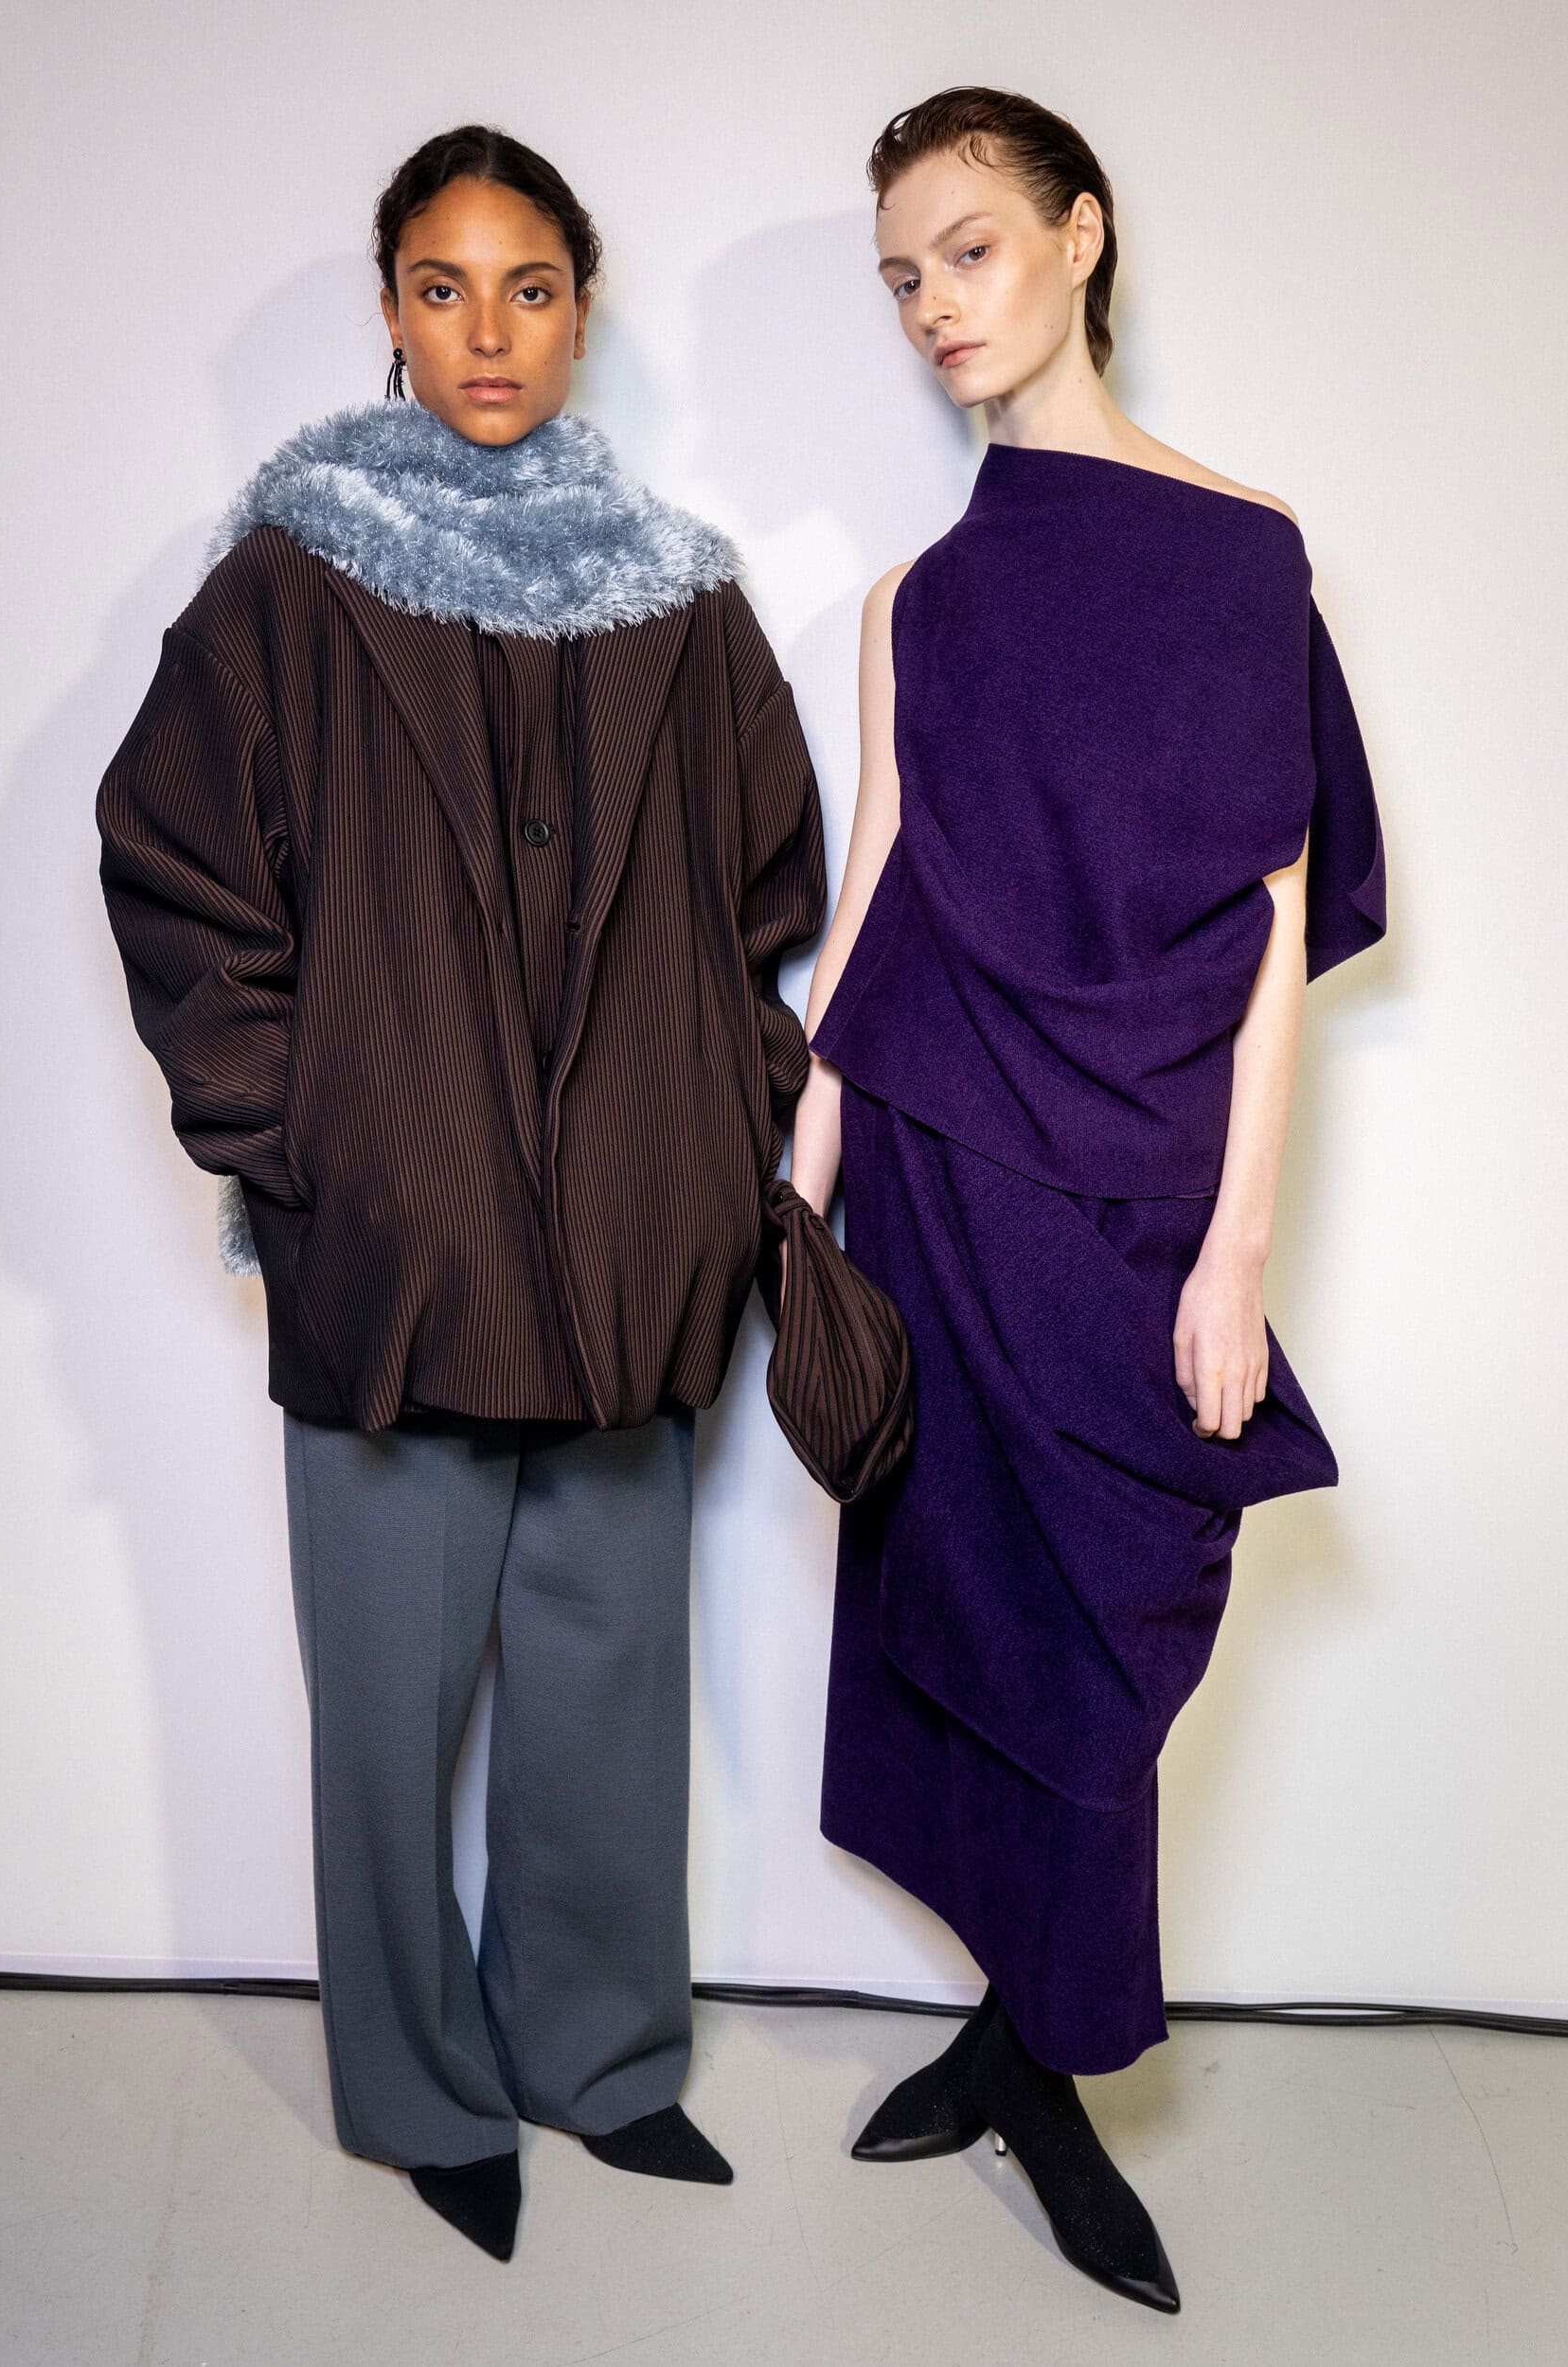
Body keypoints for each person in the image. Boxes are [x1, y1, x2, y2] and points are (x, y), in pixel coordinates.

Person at [97, 123, 825, 2262]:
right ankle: (423, 2089)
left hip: (631, 1247)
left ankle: (599, 2060)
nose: (486, 330)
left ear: (582, 308)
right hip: (392, 1252)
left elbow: (766, 897)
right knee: (388, 1698)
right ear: (389, 312)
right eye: (441, 285)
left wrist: (713, 1132)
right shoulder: (287, 588)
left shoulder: (683, 599)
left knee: (606, 1676)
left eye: (528, 285)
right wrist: (302, 1141)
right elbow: (175, 874)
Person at [789, 87, 1385, 2315]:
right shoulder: (912, 603)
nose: (933, 303)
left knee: (1104, 1638)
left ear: (1079, 234)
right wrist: (792, 1211)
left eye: (966, 247)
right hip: (932, 1190)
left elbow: (1268, 922)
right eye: (900, 275)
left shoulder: (1242, 552)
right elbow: (871, 906)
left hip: (1130, 1201)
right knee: (959, 1614)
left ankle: (1036, 2057)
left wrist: (1232, 1251)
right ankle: (1016, 2043)